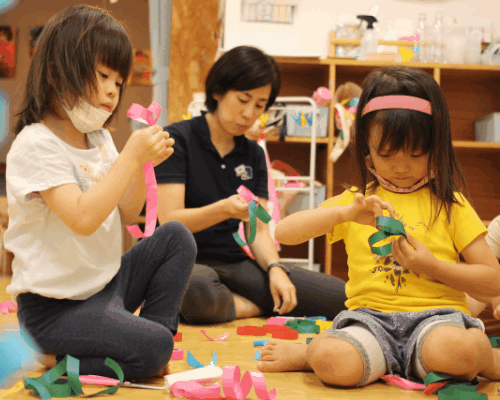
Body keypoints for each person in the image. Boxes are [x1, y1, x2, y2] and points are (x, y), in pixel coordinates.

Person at [257, 65, 500, 386]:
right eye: (386, 153)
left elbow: (494, 282)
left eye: (416, 153)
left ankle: (483, 358)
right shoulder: (358, 202)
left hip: (436, 322)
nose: (400, 166)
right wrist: (343, 214)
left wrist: (432, 267)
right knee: (331, 359)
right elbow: (284, 232)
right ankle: (311, 354)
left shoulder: (450, 204)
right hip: (369, 322)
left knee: (459, 350)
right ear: (367, 150)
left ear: (436, 147)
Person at [4, 5, 196, 380]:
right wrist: (131, 156)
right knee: (155, 347)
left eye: (119, 82)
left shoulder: (100, 138)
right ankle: (55, 357)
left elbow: (127, 212)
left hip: (106, 286)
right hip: (54, 312)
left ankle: (149, 345)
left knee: (176, 238)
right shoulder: (36, 144)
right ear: (56, 72)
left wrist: (142, 165)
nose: (112, 90)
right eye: (103, 75)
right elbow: (82, 218)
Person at [154, 45, 347, 324]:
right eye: (243, 99)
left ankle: (240, 303)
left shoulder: (253, 154)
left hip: (233, 263)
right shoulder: (177, 139)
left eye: (259, 105)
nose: (249, 113)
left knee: (340, 296)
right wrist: (224, 209)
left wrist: (275, 268)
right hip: (184, 260)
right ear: (218, 92)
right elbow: (171, 221)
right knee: (198, 291)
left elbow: (258, 230)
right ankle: (259, 307)